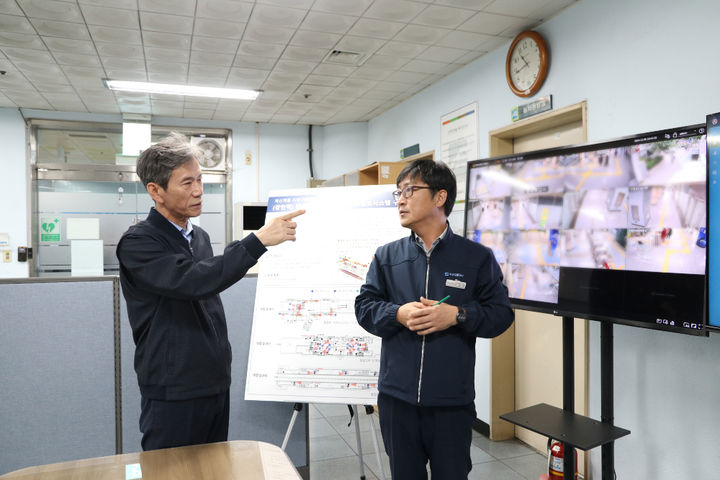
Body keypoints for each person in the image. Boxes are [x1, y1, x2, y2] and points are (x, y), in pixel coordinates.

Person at [116, 132, 303, 451]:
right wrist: (257, 241)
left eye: (200, 180)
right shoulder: (139, 243)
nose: (199, 191)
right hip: (174, 389)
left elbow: (211, 279)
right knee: (171, 473)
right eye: (187, 183)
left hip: (213, 380)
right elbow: (193, 280)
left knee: (213, 467)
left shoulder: (198, 236)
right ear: (155, 191)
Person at [355, 159, 514, 479]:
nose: (400, 199)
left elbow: (501, 315)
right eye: (397, 192)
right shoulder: (387, 256)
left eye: (409, 190)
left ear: (440, 197)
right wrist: (397, 313)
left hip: (451, 403)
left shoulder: (476, 257)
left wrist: (457, 315)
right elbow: (364, 306)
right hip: (396, 399)